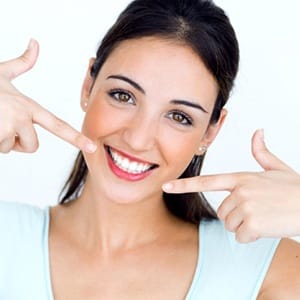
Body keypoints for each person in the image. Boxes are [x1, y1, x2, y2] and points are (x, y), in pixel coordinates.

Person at [0, 0, 300, 299]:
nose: (138, 139)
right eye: (123, 95)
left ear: (211, 130)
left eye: (179, 116)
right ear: (88, 86)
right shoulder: (7, 238)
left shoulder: (265, 268)